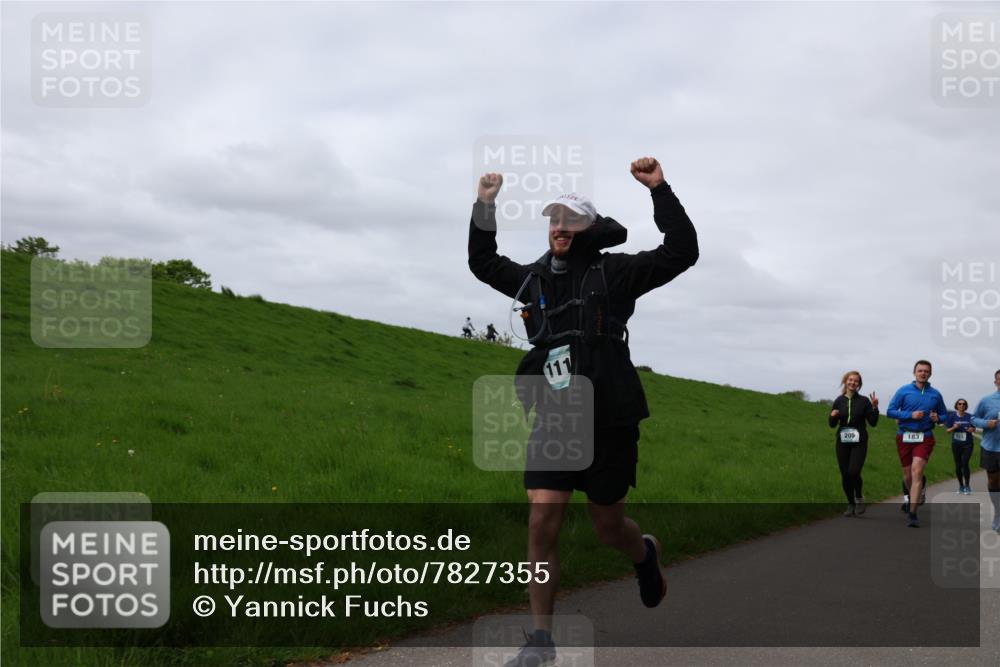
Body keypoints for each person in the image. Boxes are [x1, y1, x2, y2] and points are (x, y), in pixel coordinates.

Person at [468, 157, 698, 666]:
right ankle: (541, 643)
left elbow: (682, 251)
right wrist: (485, 204)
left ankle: (645, 554)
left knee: (608, 529)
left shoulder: (616, 273)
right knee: (541, 520)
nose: (559, 228)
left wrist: (659, 189)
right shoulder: (534, 280)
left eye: (570, 220)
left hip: (611, 417)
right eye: (553, 220)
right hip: (556, 420)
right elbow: (484, 263)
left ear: (587, 229)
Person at [886, 360, 949, 528]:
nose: (923, 373)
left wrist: (938, 419)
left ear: (930, 374)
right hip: (904, 437)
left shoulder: (935, 394)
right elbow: (890, 411)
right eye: (920, 370)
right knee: (907, 475)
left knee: (917, 470)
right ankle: (916, 492)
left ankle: (913, 513)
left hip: (925, 437)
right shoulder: (903, 391)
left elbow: (944, 415)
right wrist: (910, 415)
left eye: (926, 371)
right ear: (914, 373)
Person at [828, 371, 879, 517]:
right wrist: (832, 416)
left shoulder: (864, 401)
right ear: (845, 381)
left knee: (854, 472)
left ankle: (859, 497)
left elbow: (873, 422)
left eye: (856, 381)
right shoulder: (838, 400)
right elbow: (832, 424)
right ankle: (850, 503)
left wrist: (874, 408)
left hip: (859, 441)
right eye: (850, 380)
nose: (852, 383)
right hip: (843, 441)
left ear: (859, 384)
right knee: (845, 474)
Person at [970, 369, 1000, 532]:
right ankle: (998, 512)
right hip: (990, 446)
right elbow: (974, 418)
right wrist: (986, 424)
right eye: (999, 380)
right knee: (994, 481)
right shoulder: (987, 400)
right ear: (996, 382)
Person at [945, 398, 977, 494]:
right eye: (959, 404)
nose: (961, 405)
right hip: (956, 444)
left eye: (963, 404)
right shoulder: (952, 416)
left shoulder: (970, 417)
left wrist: (972, 429)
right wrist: (954, 427)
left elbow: (974, 428)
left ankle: (967, 486)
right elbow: (947, 431)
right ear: (957, 405)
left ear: (966, 406)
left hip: (968, 444)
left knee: (965, 463)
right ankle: (961, 486)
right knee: (958, 465)